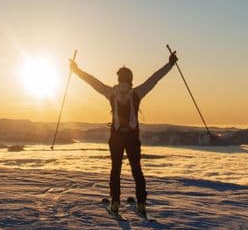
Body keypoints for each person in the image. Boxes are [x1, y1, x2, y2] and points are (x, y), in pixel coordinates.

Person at [70, 51, 178, 216]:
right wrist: (170, 64)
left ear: (119, 78)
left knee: (116, 170)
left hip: (116, 137)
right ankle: (141, 203)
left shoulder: (111, 93)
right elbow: (155, 78)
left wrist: (76, 70)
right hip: (132, 137)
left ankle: (115, 202)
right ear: (130, 79)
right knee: (136, 170)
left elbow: (92, 82)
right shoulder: (137, 93)